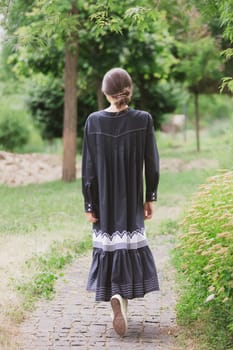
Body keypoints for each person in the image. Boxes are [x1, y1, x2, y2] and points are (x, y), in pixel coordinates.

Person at [82, 67, 160, 337]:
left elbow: (88, 168)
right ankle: (121, 300)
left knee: (110, 247)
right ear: (129, 90)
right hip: (130, 200)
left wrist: (89, 205)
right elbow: (152, 162)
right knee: (127, 247)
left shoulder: (93, 121)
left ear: (105, 92)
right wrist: (150, 196)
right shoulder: (144, 119)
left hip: (103, 201)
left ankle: (115, 296)